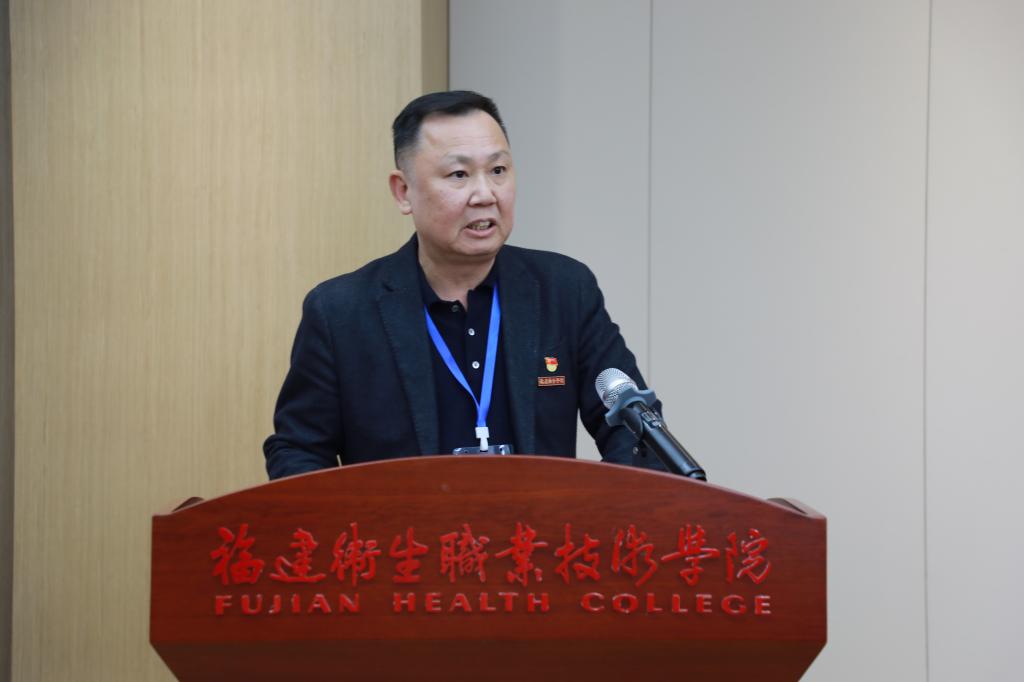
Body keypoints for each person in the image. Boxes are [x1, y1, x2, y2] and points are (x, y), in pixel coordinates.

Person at [264, 90, 662, 479]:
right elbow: (298, 450)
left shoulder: (563, 289)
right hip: (404, 526)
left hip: (539, 525)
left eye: (498, 171)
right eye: (459, 174)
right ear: (403, 192)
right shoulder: (341, 311)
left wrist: (598, 512)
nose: (485, 194)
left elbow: (635, 430)